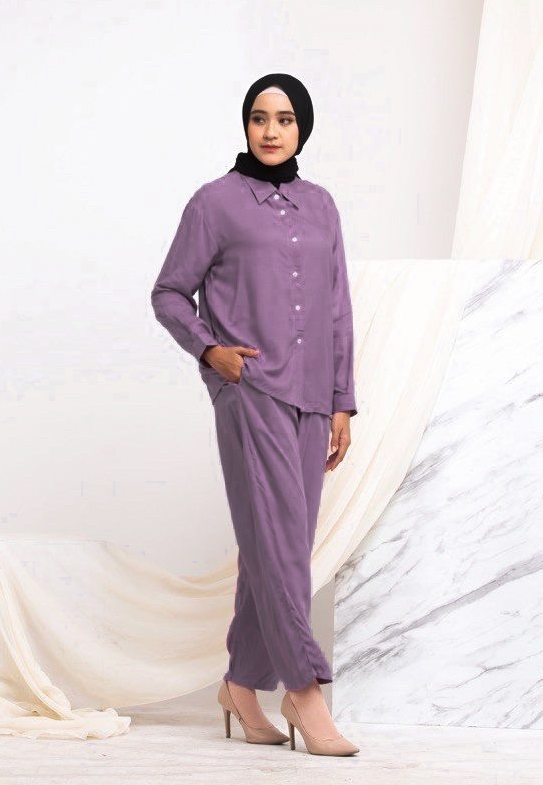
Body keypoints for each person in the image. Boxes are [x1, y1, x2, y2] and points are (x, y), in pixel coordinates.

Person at [151, 73, 359, 756]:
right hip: (251, 392)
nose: (271, 131)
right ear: (245, 125)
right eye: (260, 118)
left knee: (281, 545)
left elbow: (337, 306)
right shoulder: (214, 203)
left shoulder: (321, 206)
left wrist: (342, 400)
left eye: (286, 119)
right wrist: (211, 351)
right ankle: (304, 691)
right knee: (278, 544)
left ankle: (241, 683)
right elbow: (170, 292)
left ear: (302, 128)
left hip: (312, 396)